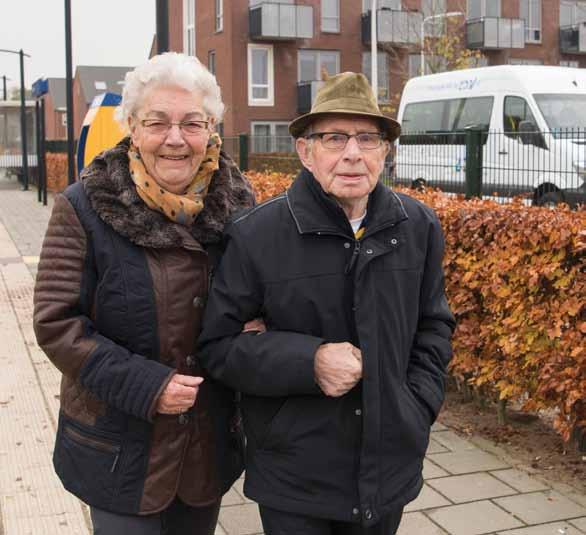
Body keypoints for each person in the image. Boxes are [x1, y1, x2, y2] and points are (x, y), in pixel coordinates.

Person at [198, 72, 456, 535]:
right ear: (305, 151)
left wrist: (417, 407)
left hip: (388, 464)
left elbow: (434, 326)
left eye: (367, 138)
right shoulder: (258, 235)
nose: (353, 153)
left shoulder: (418, 226)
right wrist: (309, 361)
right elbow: (218, 347)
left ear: (385, 150)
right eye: (335, 138)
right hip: (295, 476)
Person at [32, 52, 256, 535]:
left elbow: (258, 304)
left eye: (192, 123)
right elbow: (56, 322)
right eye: (157, 122)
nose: (175, 139)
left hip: (206, 446)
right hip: (116, 448)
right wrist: (146, 385)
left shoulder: (242, 207)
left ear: (211, 128)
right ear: (132, 127)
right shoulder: (85, 206)